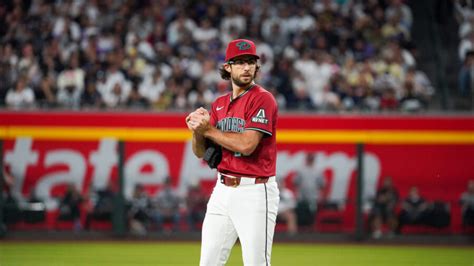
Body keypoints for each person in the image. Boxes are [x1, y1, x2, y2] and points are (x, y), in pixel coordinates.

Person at [186, 38, 279, 266]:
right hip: (222, 191)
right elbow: (200, 152)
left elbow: (247, 145)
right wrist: (198, 131)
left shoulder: (262, 98)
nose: (247, 67)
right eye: (239, 62)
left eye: (251, 62)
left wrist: (209, 129)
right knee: (208, 262)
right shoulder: (219, 103)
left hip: (255, 190)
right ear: (227, 67)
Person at [293, 153, 326, 227]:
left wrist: (321, 195)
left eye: (312, 159)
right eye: (309, 158)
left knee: (313, 214)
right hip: (302, 197)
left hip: (314, 197)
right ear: (306, 159)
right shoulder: (301, 170)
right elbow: (295, 182)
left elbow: (322, 184)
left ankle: (313, 231)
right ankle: (301, 230)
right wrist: (296, 194)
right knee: (301, 214)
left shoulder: (318, 170)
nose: (310, 160)